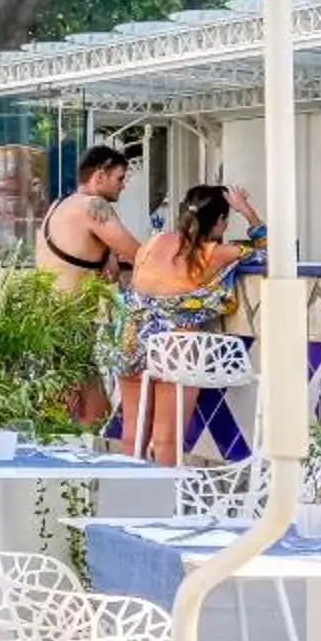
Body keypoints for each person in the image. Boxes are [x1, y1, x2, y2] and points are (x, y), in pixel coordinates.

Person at [113, 181, 263, 463]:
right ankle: (165, 505)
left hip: (132, 337)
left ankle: (130, 500)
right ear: (219, 221)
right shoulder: (216, 253)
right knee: (166, 440)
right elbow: (270, 253)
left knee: (132, 436)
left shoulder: (152, 242)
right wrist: (248, 212)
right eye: (225, 221)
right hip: (174, 344)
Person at [38, 144, 142, 292]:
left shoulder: (58, 205)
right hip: (75, 313)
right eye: (119, 179)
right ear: (100, 177)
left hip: (47, 309)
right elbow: (141, 257)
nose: (123, 186)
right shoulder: (94, 205)